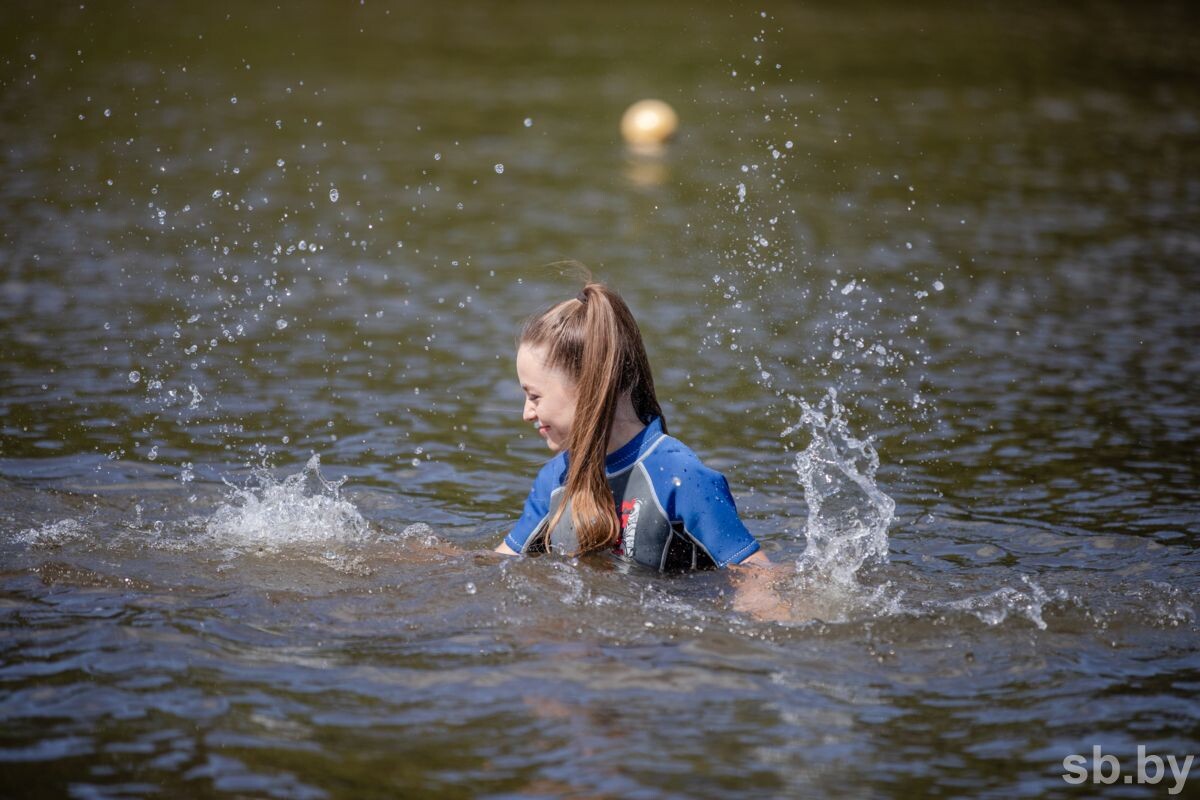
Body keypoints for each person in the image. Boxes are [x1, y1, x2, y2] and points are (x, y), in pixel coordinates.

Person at [494, 277, 775, 582]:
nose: (526, 413)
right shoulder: (554, 481)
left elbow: (758, 577)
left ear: (589, 386)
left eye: (534, 396)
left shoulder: (680, 478)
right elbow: (497, 569)